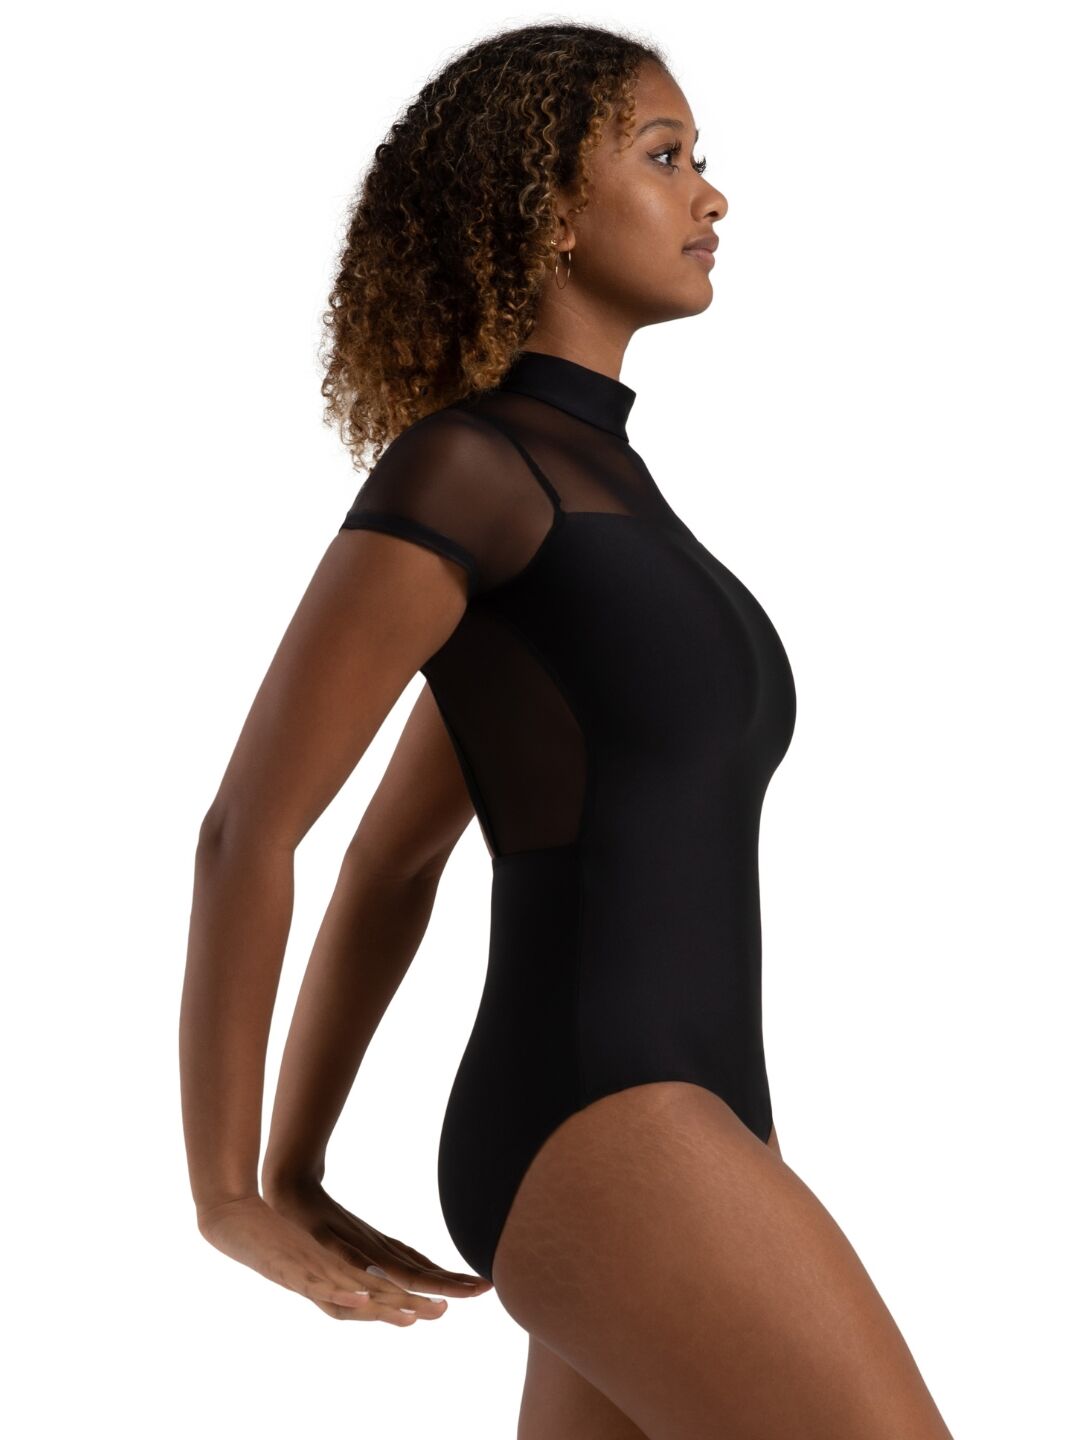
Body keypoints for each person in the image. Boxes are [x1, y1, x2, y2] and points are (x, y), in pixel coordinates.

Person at [180, 22, 954, 1439]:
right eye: (666, 157)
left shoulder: (611, 495)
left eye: (700, 160)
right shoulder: (468, 469)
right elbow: (250, 826)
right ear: (546, 210)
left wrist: (303, 1158)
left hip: (692, 1124)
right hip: (609, 1121)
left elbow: (396, 860)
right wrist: (238, 1189)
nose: (712, 195)